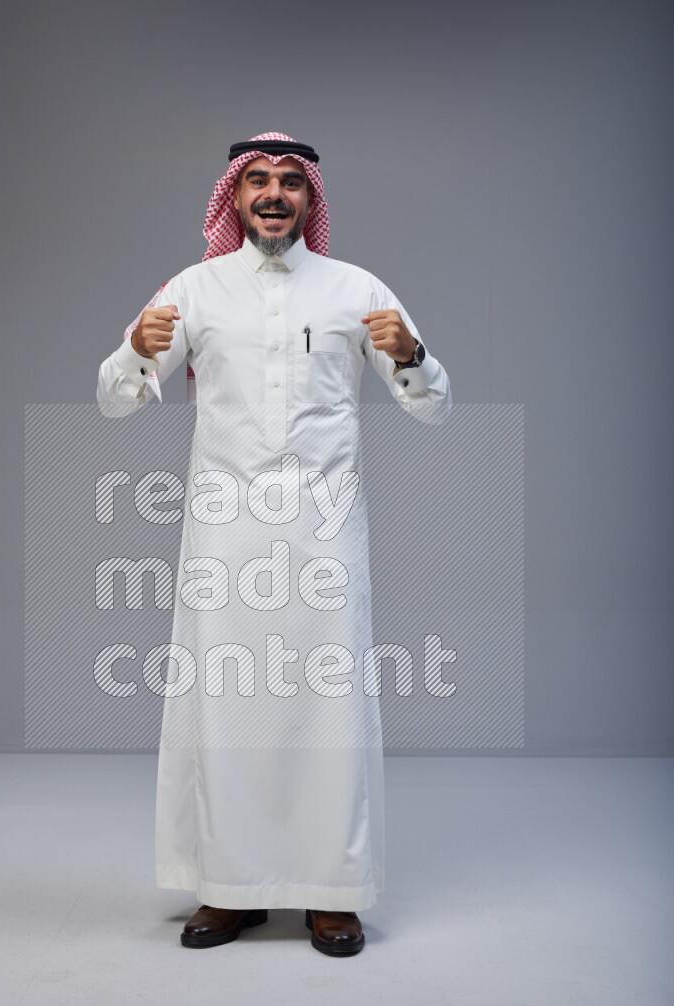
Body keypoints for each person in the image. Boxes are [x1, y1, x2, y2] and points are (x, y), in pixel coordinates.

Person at [97, 132, 451, 956]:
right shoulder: (196, 287)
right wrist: (132, 350)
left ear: (310, 198)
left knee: (328, 712)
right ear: (235, 195)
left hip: (326, 536)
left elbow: (432, 403)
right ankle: (229, 890)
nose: (273, 195)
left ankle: (332, 893)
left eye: (290, 182)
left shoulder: (354, 287)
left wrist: (413, 355)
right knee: (223, 708)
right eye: (256, 180)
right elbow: (119, 400)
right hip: (224, 535)